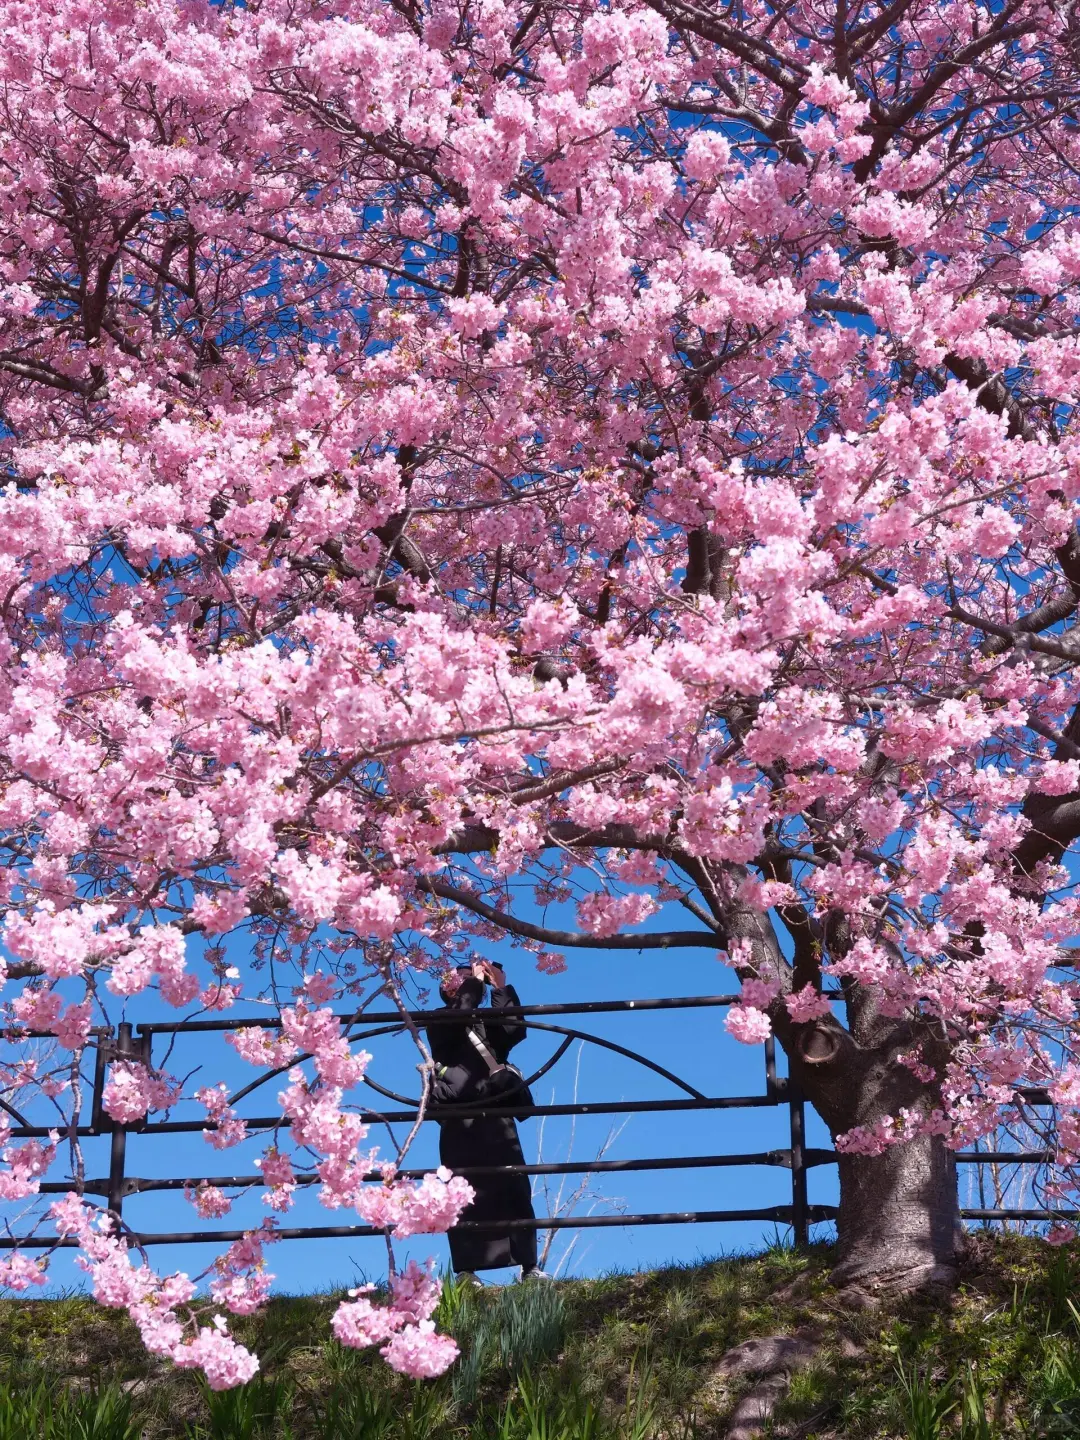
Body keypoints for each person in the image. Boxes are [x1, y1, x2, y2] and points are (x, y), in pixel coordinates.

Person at [425, 959, 549, 1285]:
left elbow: (513, 1031)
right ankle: (467, 1271)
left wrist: (500, 989)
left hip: (496, 1113)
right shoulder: (439, 1020)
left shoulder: (483, 1021)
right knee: (463, 1192)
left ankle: (528, 1266)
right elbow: (457, 1018)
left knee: (514, 1187)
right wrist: (473, 986)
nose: (471, 981)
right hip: (460, 1117)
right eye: (463, 978)